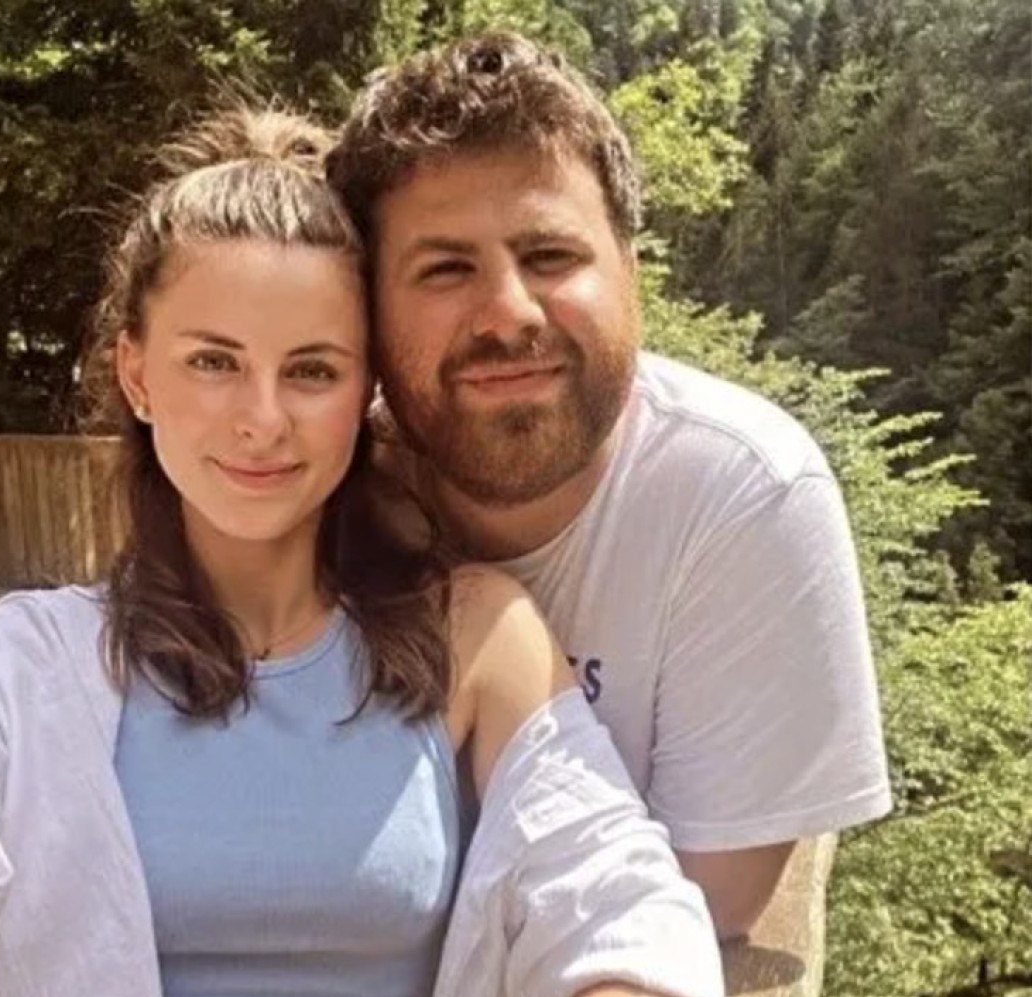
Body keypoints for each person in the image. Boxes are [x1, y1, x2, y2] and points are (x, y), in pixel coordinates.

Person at [0, 106, 724, 997]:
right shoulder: (24, 665)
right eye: (214, 362)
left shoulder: (471, 638)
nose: (263, 420)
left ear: (366, 391)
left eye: (313, 370)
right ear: (137, 374)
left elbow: (606, 886)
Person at [326, 31, 893, 940]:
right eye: (444, 269)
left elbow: (708, 904)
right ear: (367, 305)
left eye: (551, 257)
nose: (508, 312)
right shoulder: (309, 484)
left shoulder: (742, 494)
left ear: (630, 270)